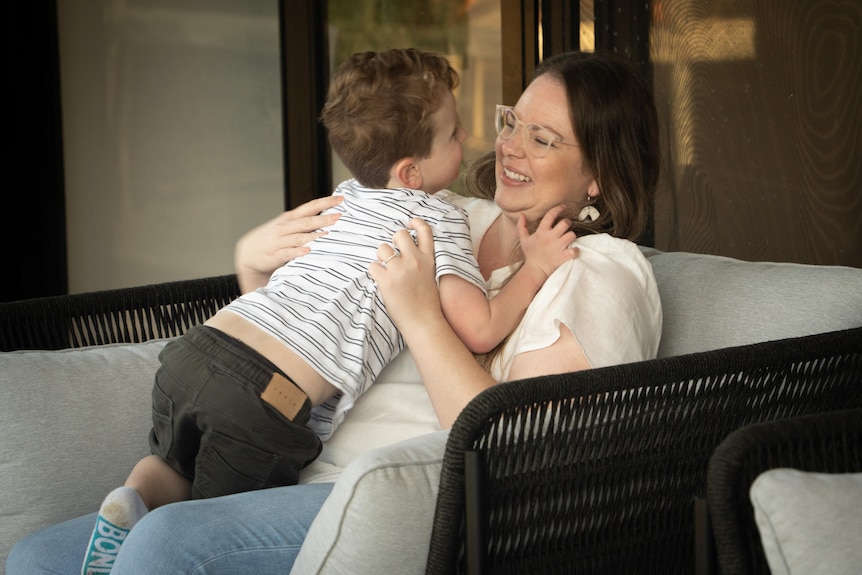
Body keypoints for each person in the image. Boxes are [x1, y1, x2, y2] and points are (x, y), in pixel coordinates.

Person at [7, 49, 662, 575]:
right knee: (37, 558)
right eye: (510, 121)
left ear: (600, 171)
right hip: (285, 450)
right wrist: (252, 264)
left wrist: (422, 316)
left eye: (542, 137)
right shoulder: (446, 214)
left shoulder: (601, 271)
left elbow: (509, 451)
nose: (511, 147)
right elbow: (306, 323)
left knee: (168, 547)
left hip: (384, 497)